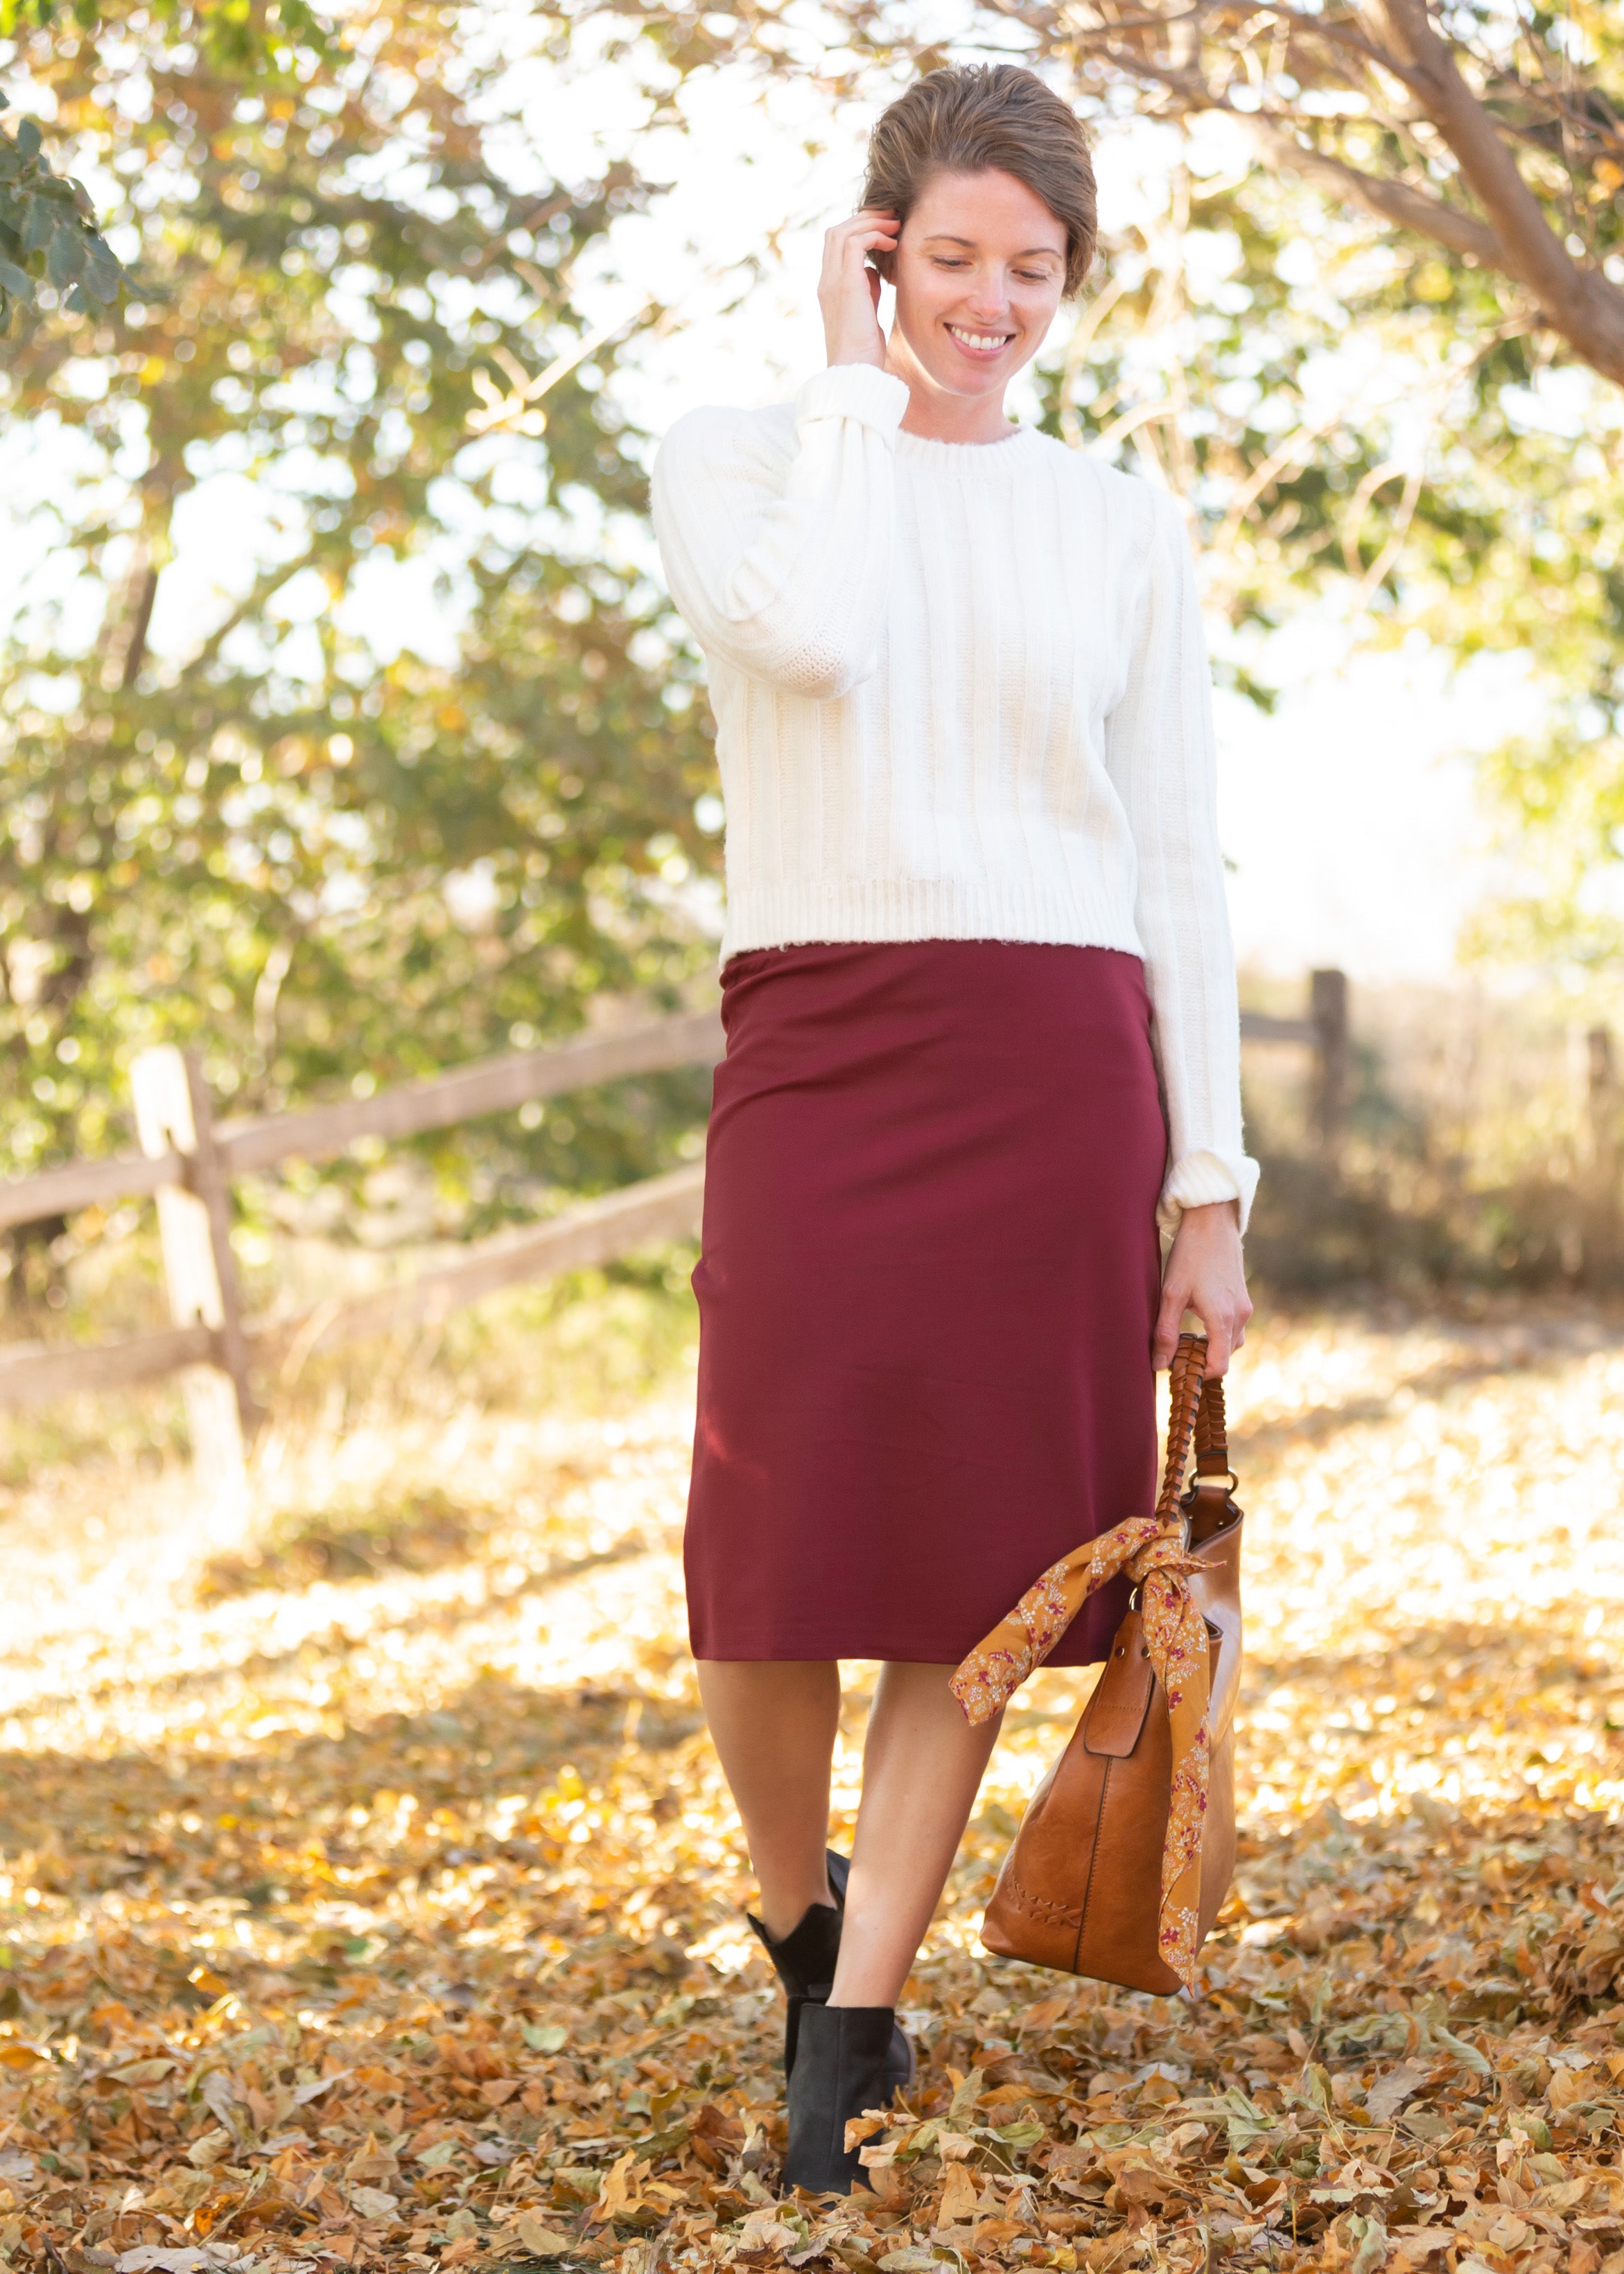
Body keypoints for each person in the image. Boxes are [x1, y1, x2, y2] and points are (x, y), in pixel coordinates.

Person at [649, 61, 1257, 2194]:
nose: (998, 304)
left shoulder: (1118, 519)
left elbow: (1177, 858)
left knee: (984, 1581)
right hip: (822, 1040)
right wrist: (844, 380)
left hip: (1062, 1058)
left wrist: (1212, 1185)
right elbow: (803, 635)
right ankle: (802, 1921)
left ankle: (858, 2031)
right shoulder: (742, 459)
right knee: (765, 1570)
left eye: (1039, 269)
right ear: (879, 242)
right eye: (959, 259)